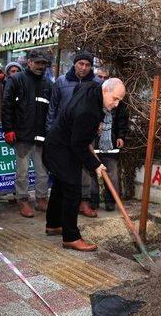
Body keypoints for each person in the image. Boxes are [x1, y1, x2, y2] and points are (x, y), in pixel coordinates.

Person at [44, 78, 126, 252]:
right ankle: (71, 237)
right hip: (61, 149)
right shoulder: (88, 112)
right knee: (73, 191)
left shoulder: (91, 87)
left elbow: (78, 89)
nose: (116, 104)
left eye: (120, 100)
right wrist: (96, 165)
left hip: (57, 142)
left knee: (60, 185)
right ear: (105, 91)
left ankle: (53, 224)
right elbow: (78, 145)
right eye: (115, 99)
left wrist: (91, 126)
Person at [46, 50, 100, 218]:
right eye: (80, 64)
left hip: (83, 134)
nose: (83, 68)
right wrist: (50, 130)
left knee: (84, 171)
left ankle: (84, 201)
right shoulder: (62, 82)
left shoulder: (95, 84)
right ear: (74, 64)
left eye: (87, 65)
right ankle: (61, 216)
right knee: (65, 175)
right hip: (62, 135)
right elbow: (53, 108)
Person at [2, 50, 52, 218]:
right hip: (22, 135)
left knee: (42, 171)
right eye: (37, 62)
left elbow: (51, 110)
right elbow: (7, 105)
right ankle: (23, 199)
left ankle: (41, 198)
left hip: (40, 136)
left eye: (43, 63)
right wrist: (8, 129)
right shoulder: (16, 80)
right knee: (22, 171)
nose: (40, 66)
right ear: (29, 62)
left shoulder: (47, 83)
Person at [90, 99, 129, 211]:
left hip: (112, 145)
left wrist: (121, 136)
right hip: (94, 144)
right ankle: (93, 201)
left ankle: (110, 201)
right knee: (91, 173)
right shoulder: (94, 101)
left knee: (112, 174)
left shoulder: (119, 104)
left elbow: (122, 120)